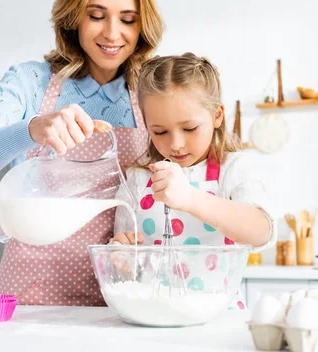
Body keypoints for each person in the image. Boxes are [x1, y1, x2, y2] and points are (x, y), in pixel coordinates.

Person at [0, 0, 164, 306]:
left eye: (128, 20)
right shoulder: (31, 82)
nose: (112, 32)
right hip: (33, 292)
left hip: (123, 294)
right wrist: (31, 129)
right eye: (96, 15)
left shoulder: (154, 91)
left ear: (142, 27)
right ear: (74, 16)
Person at [111, 53, 277, 309]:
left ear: (217, 115)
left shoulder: (233, 170)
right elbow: (125, 271)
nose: (175, 144)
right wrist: (121, 260)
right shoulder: (137, 179)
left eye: (189, 128)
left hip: (218, 316)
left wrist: (190, 198)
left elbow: (261, 232)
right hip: (153, 315)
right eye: (160, 132)